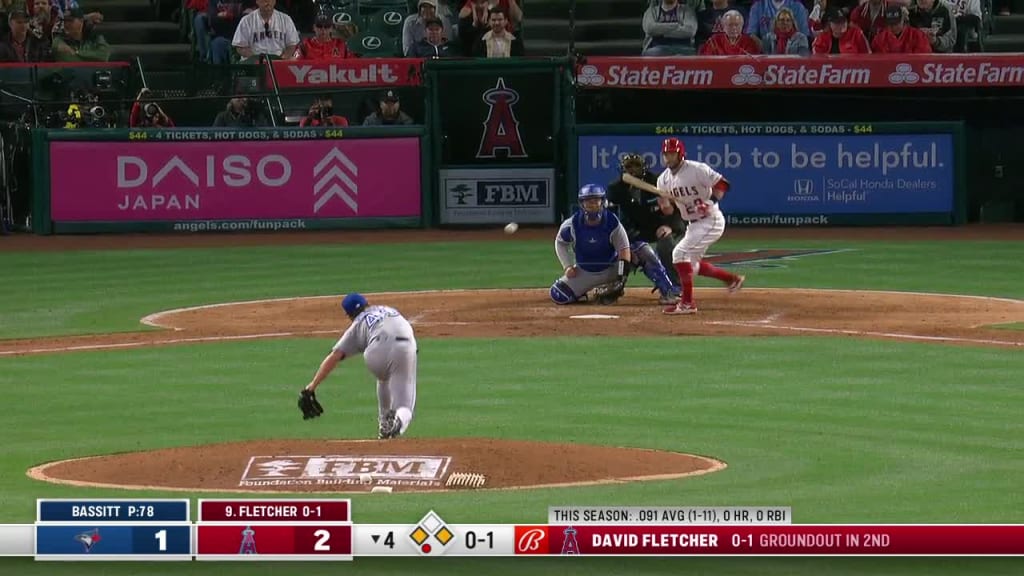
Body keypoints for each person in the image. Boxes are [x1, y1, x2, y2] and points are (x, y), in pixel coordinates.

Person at [299, 293, 417, 440]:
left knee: (383, 378)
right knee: (405, 407)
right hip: (405, 347)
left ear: (348, 314)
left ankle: (384, 423)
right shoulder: (389, 310)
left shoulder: (356, 325)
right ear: (367, 303)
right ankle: (398, 421)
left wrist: (311, 387)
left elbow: (334, 356)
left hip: (375, 353)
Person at [657, 137, 745, 315]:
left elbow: (723, 184)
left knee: (679, 254)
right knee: (691, 265)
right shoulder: (663, 180)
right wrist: (665, 205)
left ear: (681, 154)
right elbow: (667, 210)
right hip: (692, 225)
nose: (668, 158)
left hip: (711, 221)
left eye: (672, 154)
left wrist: (709, 203)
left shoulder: (697, 169)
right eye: (666, 154)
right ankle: (732, 279)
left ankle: (687, 303)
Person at [607, 153, 684, 303]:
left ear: (643, 167)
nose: (633, 170)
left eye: (636, 165)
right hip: (630, 230)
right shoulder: (615, 188)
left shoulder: (657, 182)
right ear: (623, 169)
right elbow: (611, 216)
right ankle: (616, 284)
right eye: (629, 166)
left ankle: (674, 285)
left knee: (665, 243)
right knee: (619, 248)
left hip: (658, 226)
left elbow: (678, 211)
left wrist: (669, 225)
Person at [549, 184, 633, 306]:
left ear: (602, 202)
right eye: (588, 202)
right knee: (558, 295)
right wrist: (567, 266)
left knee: (640, 250)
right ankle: (582, 291)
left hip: (611, 269)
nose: (592, 205)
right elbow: (560, 243)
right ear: (581, 204)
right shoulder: (572, 224)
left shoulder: (613, 223)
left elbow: (624, 250)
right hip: (584, 271)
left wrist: (621, 278)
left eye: (596, 201)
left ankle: (667, 290)